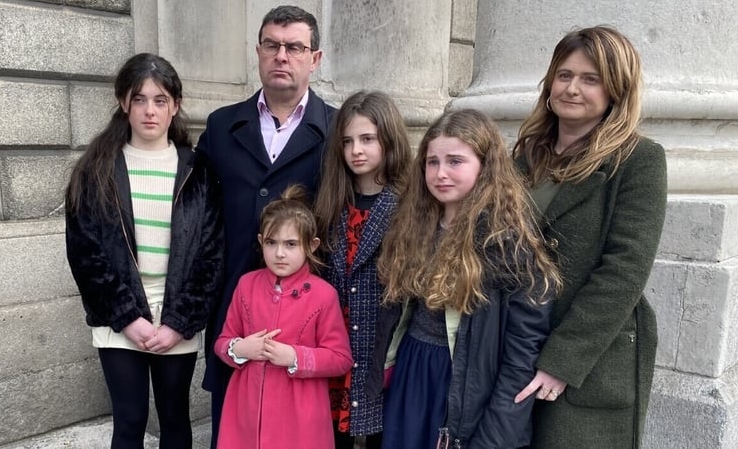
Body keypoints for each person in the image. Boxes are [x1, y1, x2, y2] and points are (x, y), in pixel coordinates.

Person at [511, 26, 667, 448]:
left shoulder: (639, 160)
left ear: (616, 89)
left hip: (587, 357)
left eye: (590, 78)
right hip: (518, 343)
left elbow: (625, 271)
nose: (572, 88)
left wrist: (562, 361)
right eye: (564, 75)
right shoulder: (526, 155)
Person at [370, 108, 561, 449]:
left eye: (455, 161)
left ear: (485, 167)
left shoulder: (506, 242)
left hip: (462, 381)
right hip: (413, 372)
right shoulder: (412, 227)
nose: (440, 173)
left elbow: (521, 354)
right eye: (432, 162)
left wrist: (493, 437)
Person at [64, 53, 223, 449]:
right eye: (139, 99)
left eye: (160, 100)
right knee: (130, 419)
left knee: (174, 418)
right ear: (124, 103)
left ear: (175, 106)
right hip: (120, 320)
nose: (149, 110)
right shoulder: (96, 169)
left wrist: (179, 322)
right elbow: (85, 253)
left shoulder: (197, 168)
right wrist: (127, 317)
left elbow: (210, 254)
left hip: (175, 318)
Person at [196, 5, 336, 447]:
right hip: (234, 306)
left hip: (305, 318)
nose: (281, 56)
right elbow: (196, 219)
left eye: (294, 47)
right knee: (233, 424)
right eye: (272, 45)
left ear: (314, 59)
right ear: (257, 52)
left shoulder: (337, 131)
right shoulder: (221, 126)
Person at [214, 185, 353, 449]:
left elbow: (341, 358)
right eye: (271, 242)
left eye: (290, 244)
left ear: (311, 245)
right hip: (245, 412)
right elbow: (222, 341)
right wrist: (239, 348)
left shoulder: (324, 295)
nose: (279, 253)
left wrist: (295, 357)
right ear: (260, 242)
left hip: (300, 418)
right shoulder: (246, 285)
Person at [314, 90, 412, 449]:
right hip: (336, 339)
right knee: (333, 434)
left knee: (380, 435)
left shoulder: (407, 203)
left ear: (388, 139)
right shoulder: (332, 200)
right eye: (348, 141)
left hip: (381, 343)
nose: (357, 150)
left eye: (368, 139)